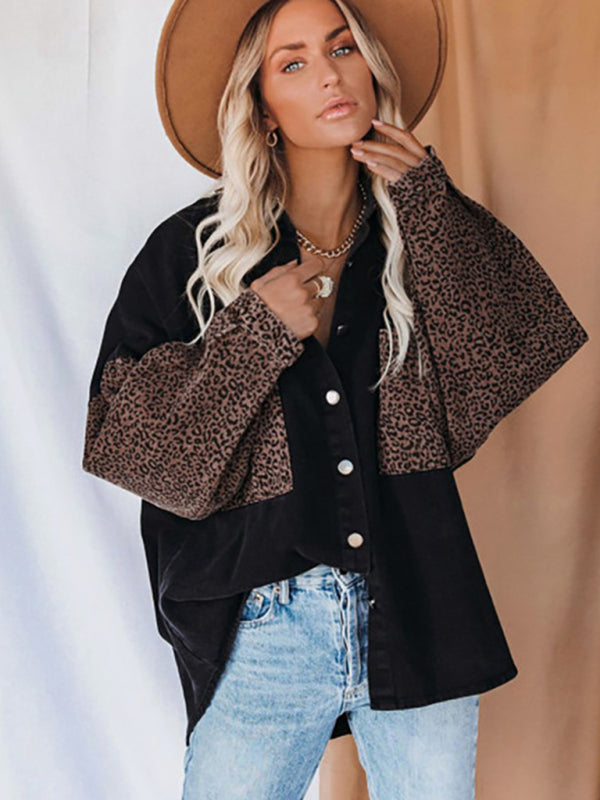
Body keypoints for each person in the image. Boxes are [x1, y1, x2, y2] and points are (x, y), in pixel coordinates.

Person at [82, 0, 589, 797]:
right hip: (265, 628)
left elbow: (499, 363)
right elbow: (130, 447)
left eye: (342, 47)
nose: (329, 75)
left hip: (417, 602)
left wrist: (429, 204)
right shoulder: (194, 254)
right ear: (261, 107)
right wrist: (253, 335)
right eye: (293, 63)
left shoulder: (422, 232)